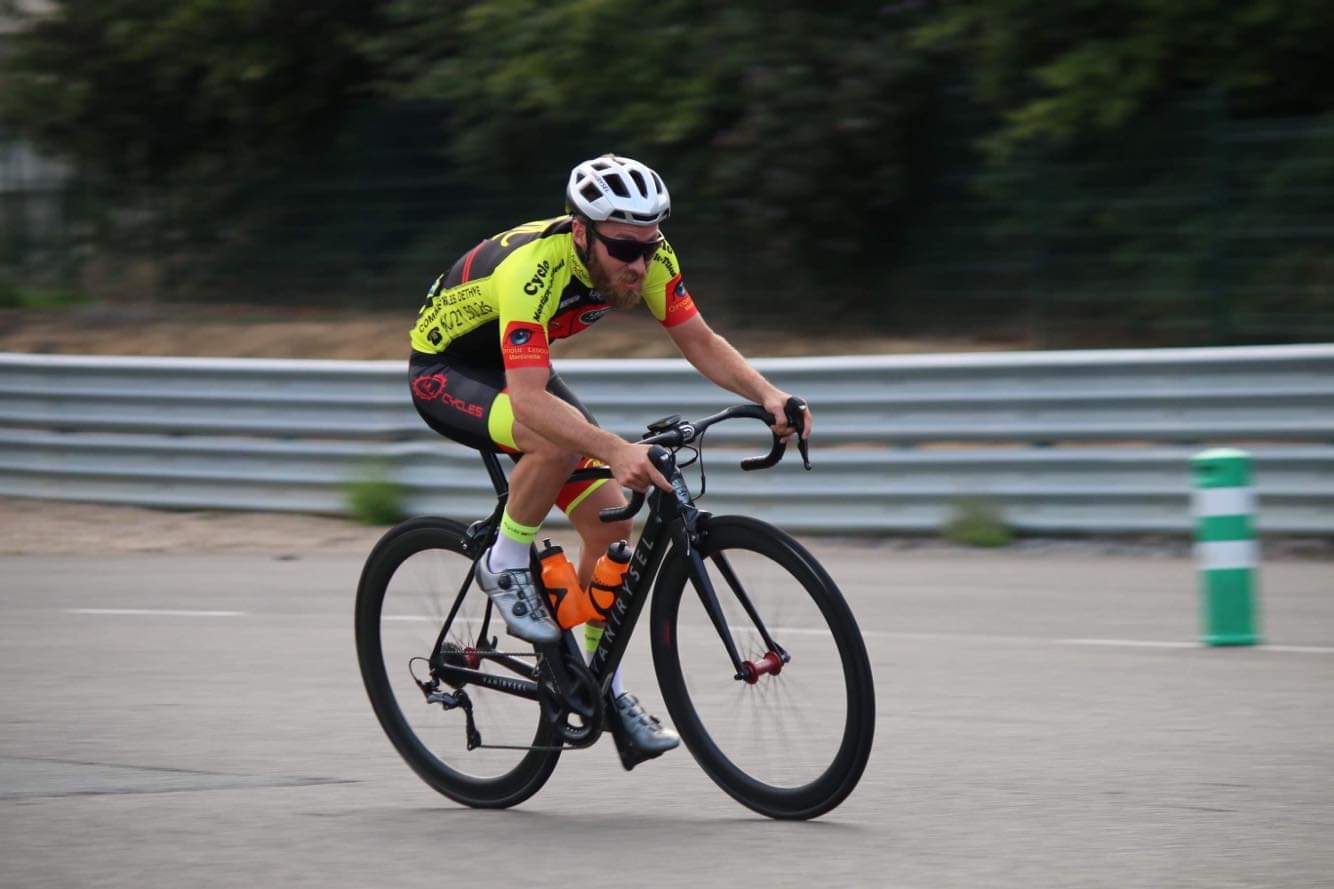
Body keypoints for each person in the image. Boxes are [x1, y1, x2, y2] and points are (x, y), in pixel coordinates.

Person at [408, 154, 812, 758]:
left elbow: (698, 339)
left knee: (612, 522)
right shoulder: (533, 270)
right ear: (581, 232)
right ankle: (505, 558)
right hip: (450, 370)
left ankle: (602, 687)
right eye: (625, 251)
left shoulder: (649, 257)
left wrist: (768, 394)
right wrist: (615, 448)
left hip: (519, 365)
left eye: (650, 246)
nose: (640, 265)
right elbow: (527, 404)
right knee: (551, 439)